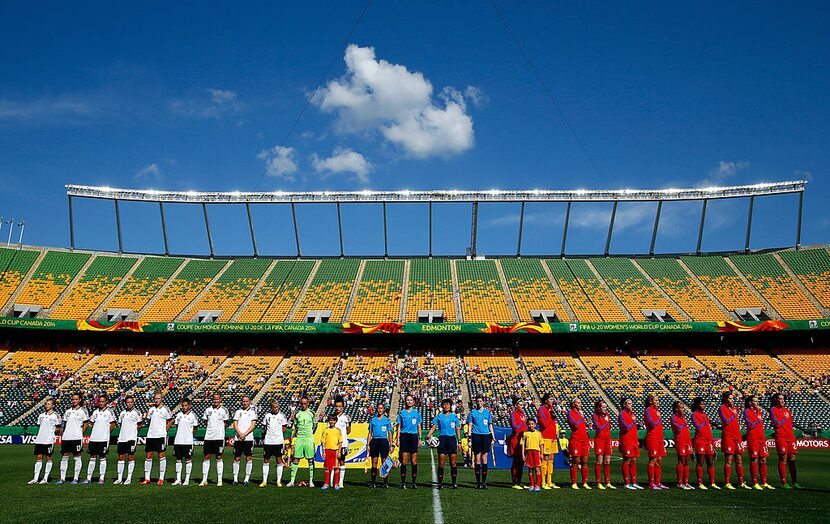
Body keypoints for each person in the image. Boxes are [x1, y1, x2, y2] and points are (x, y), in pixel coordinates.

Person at [426, 398, 462, 489]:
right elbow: (433, 427)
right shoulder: (439, 417)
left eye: (448, 404)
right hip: (442, 440)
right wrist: (428, 436)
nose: (446, 406)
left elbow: (457, 429)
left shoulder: (454, 417)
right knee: (441, 463)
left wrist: (459, 441)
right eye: (444, 404)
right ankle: (440, 483)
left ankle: (454, 483)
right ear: (442, 406)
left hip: (452, 440)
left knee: (453, 463)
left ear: (450, 406)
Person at [55, 393, 88, 485]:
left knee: (77, 456)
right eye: (73, 399)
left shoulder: (83, 411)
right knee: (64, 456)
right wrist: (61, 432)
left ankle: (76, 478)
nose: (74, 401)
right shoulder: (67, 411)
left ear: (80, 400)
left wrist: (80, 433)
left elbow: (86, 424)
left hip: (76, 437)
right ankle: (62, 478)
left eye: (76, 399)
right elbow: (64, 424)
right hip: (66, 437)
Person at [83, 394, 116, 485]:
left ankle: (101, 478)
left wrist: (106, 432)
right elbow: (92, 423)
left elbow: (113, 425)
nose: (101, 403)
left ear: (106, 402)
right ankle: (88, 477)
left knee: (102, 457)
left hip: (104, 439)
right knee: (92, 457)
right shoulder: (95, 412)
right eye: (100, 401)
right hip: (94, 438)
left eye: (103, 401)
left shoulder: (109, 412)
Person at [141, 392, 172, 485]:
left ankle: (161, 478)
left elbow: (170, 422)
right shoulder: (151, 409)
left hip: (160, 436)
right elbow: (149, 420)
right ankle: (147, 478)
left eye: (158, 398)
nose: (156, 400)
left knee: (161, 456)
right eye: (155, 398)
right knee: (148, 456)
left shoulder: (166, 409)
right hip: (151, 436)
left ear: (162, 399)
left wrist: (165, 431)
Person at [770, 392, 800, 489]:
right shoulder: (773, 410)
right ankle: (784, 482)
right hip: (781, 437)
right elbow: (777, 424)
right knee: (783, 459)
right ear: (776, 400)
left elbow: (789, 424)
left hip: (790, 437)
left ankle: (795, 482)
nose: (782, 400)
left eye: (783, 399)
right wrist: (784, 418)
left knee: (792, 460)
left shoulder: (787, 410)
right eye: (780, 398)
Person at [719, 391, 748, 489]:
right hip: (728, 436)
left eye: (732, 398)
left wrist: (737, 410)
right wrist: (733, 414)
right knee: (729, 460)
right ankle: (727, 482)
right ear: (725, 399)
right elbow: (726, 421)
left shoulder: (734, 409)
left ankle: (741, 481)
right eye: (730, 398)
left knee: (739, 459)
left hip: (737, 436)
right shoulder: (722, 408)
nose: (732, 400)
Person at [744, 395, 774, 490]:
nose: (758, 403)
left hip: (761, 439)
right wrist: (758, 420)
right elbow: (750, 425)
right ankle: (755, 482)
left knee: (763, 460)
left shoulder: (758, 412)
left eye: (758, 401)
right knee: (754, 460)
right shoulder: (747, 412)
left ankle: (764, 482)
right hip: (753, 439)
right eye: (755, 401)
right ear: (750, 402)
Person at [200, 393, 230, 486]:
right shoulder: (208, 410)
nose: (216, 401)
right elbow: (205, 421)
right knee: (206, 457)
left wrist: (219, 430)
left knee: (219, 457)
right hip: (208, 437)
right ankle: (204, 479)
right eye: (214, 399)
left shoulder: (224, 410)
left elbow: (226, 423)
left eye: (217, 399)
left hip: (219, 437)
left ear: (220, 399)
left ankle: (219, 480)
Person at [466, 395, 495, 489]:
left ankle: (484, 482)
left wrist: (493, 437)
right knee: (477, 460)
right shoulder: (472, 413)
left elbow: (490, 425)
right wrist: (469, 437)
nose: (479, 402)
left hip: (486, 436)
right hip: (476, 436)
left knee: (484, 460)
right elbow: (470, 425)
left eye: (480, 401)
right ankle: (478, 482)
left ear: (483, 402)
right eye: (477, 401)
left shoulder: (487, 412)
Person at [30, 398, 61, 484]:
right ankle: (35, 478)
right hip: (40, 439)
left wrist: (53, 433)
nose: (47, 405)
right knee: (39, 458)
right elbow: (40, 426)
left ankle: (45, 478)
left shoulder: (56, 416)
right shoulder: (41, 415)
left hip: (48, 440)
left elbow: (58, 428)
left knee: (48, 458)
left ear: (53, 405)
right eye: (46, 404)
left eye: (49, 404)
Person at [395, 394, 423, 489]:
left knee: (414, 461)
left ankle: (413, 482)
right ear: (405, 401)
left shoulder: (417, 413)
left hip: (413, 437)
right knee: (404, 461)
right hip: (404, 436)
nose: (409, 401)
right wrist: (397, 438)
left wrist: (420, 438)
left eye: (411, 400)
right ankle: (402, 482)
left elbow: (419, 426)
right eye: (407, 400)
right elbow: (399, 427)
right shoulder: (401, 413)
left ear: (413, 402)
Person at [691, 397, 719, 489]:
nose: (704, 405)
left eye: (704, 404)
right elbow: (698, 426)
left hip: (708, 440)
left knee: (710, 462)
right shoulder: (694, 415)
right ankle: (700, 482)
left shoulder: (705, 415)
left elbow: (708, 428)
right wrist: (704, 421)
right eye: (702, 404)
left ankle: (712, 482)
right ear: (697, 405)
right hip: (700, 440)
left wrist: (712, 440)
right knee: (700, 462)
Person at [288, 395, 315, 487]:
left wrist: (309, 434)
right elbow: (295, 427)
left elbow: (315, 426)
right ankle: (292, 481)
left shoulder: (312, 413)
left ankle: (311, 481)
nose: (303, 405)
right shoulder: (297, 414)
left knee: (310, 459)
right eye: (301, 404)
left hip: (308, 439)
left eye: (305, 403)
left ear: (308, 404)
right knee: (296, 458)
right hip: (299, 438)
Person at [115, 395, 143, 485]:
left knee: (130, 457)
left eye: (131, 402)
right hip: (122, 438)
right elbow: (120, 424)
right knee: (121, 458)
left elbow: (140, 424)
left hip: (131, 438)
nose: (129, 404)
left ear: (133, 403)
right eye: (128, 402)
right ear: (125, 403)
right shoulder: (122, 413)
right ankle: (119, 478)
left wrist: (134, 432)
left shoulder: (137, 413)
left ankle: (129, 478)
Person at [260, 399, 288, 487]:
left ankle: (278, 481)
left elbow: (284, 428)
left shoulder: (282, 416)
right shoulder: (267, 416)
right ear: (271, 407)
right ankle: (264, 481)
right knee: (266, 460)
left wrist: (277, 435)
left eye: (277, 407)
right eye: (274, 407)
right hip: (268, 441)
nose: (276, 409)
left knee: (279, 460)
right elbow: (264, 428)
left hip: (278, 442)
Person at [644, 394, 668, 490]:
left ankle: (658, 482)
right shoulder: (648, 410)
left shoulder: (656, 411)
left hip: (659, 438)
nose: (658, 402)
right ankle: (651, 483)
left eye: (658, 400)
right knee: (653, 460)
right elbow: (652, 424)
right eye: (656, 400)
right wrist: (659, 418)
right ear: (651, 401)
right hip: (652, 438)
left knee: (659, 460)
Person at [172, 398, 198, 486]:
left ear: (189, 405)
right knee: (178, 459)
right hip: (178, 440)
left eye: (186, 405)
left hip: (188, 441)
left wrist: (189, 435)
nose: (184, 407)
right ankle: (178, 479)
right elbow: (176, 426)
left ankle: (186, 479)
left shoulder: (193, 415)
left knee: (188, 459)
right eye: (183, 405)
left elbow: (195, 428)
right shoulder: (178, 415)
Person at [367, 402, 394, 488]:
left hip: (384, 442)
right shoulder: (373, 420)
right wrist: (367, 444)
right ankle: (373, 482)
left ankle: (385, 482)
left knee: (384, 462)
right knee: (374, 462)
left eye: (381, 408)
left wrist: (391, 444)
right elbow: (370, 433)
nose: (380, 410)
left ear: (384, 410)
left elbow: (389, 433)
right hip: (375, 441)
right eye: (378, 408)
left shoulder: (387, 420)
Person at [232, 396, 257, 486]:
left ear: (249, 402)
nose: (245, 403)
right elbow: (235, 424)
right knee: (237, 458)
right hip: (238, 438)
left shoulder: (253, 412)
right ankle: (235, 479)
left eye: (246, 401)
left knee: (248, 458)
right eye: (243, 401)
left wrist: (245, 434)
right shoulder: (238, 412)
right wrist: (240, 434)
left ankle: (246, 479)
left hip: (248, 438)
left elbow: (253, 425)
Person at [566, 398, 591, 489]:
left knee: (584, 462)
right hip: (576, 440)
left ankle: (584, 482)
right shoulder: (570, 413)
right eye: (578, 402)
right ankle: (574, 482)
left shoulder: (580, 413)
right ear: (573, 404)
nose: (580, 404)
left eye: (581, 402)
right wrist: (581, 417)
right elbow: (576, 424)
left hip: (584, 440)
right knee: (575, 462)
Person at [537, 393, 560, 489]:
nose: (552, 401)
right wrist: (551, 417)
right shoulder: (541, 409)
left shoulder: (551, 409)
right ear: (546, 400)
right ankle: (543, 482)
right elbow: (544, 423)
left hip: (553, 437)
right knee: (545, 459)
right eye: (551, 399)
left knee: (551, 459)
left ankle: (549, 481)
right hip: (546, 437)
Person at [669, 400, 694, 490]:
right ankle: (680, 482)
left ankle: (686, 482)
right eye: (681, 407)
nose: (683, 409)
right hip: (680, 441)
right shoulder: (673, 417)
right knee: (681, 461)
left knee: (686, 462)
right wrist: (684, 423)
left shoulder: (683, 417)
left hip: (687, 441)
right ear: (676, 408)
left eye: (683, 407)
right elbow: (678, 428)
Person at [618, 397, 642, 489]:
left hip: (634, 440)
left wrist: (637, 425)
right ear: (624, 405)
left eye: (631, 403)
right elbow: (626, 427)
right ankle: (627, 483)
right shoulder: (622, 414)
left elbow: (632, 427)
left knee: (634, 461)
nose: (631, 405)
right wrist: (633, 422)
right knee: (627, 460)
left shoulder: (632, 414)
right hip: (626, 440)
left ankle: (634, 482)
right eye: (629, 403)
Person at [591, 399, 614, 489]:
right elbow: (599, 428)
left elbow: (608, 428)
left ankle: (607, 482)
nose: (605, 409)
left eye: (606, 407)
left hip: (607, 440)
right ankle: (598, 482)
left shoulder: (607, 415)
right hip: (599, 440)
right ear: (599, 408)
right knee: (599, 461)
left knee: (607, 461)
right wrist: (605, 422)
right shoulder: (595, 416)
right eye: (603, 407)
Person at [508, 397, 527, 490]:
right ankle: (514, 481)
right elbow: (515, 427)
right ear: (516, 405)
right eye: (520, 405)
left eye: (523, 405)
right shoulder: (513, 414)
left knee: (521, 462)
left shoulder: (522, 414)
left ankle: (519, 481)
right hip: (515, 440)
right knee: (516, 461)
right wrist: (522, 422)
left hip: (522, 440)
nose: (522, 406)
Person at [333, 395, 351, 489]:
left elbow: (348, 430)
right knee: (333, 462)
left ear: (342, 407)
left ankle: (340, 482)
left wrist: (341, 436)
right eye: (336, 406)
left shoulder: (346, 418)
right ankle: (333, 481)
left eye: (339, 406)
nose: (338, 408)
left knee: (342, 461)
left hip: (343, 443)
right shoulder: (332, 417)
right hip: (333, 444)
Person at [321, 414, 342, 490]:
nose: (332, 421)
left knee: (336, 467)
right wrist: (323, 451)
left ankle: (336, 484)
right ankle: (326, 483)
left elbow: (340, 442)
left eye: (333, 420)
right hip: (327, 450)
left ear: (336, 421)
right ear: (328, 421)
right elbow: (323, 441)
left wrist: (339, 452)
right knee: (327, 467)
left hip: (335, 451)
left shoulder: (338, 431)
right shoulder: (326, 430)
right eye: (330, 420)